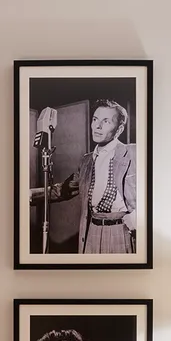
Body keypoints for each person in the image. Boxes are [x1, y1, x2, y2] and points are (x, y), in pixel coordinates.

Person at [51, 99, 137, 254]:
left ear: (119, 129)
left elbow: (162, 187)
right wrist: (29, 194)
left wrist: (139, 217)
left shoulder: (133, 153)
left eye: (106, 121)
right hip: (91, 231)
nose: (97, 126)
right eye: (95, 119)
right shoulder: (86, 160)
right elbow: (63, 190)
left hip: (121, 232)